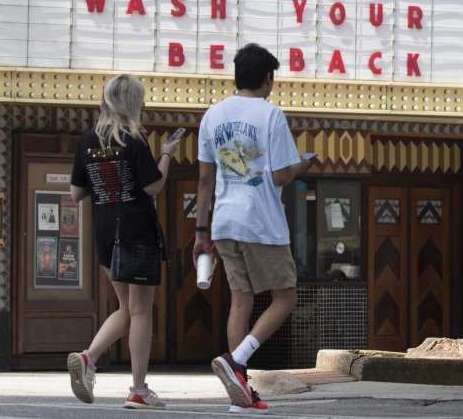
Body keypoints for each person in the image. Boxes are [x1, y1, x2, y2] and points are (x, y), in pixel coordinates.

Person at [193, 44, 313, 414]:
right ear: (267, 78)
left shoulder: (212, 116)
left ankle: (239, 394)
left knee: (240, 300)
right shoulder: (271, 115)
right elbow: (279, 173)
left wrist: (200, 232)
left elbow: (204, 179)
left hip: (224, 222)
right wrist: (302, 166)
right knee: (286, 297)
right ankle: (237, 360)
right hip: (261, 222)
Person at [66, 74, 180, 410]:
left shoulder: (87, 139)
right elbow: (152, 187)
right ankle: (138, 391)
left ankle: (89, 358)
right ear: (133, 102)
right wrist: (168, 154)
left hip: (105, 232)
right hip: (137, 231)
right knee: (142, 310)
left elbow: (75, 194)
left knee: (125, 308)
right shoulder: (133, 138)